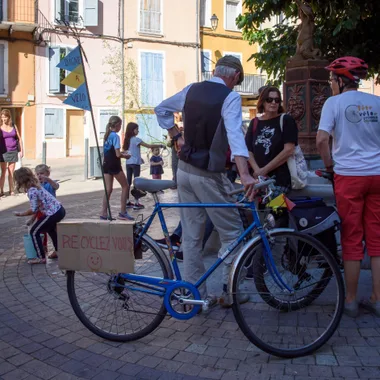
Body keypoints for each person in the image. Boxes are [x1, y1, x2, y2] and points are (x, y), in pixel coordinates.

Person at [155, 55, 257, 307]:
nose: (235, 86)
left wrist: (175, 135)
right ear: (233, 76)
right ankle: (229, 292)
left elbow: (161, 109)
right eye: (237, 81)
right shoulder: (230, 98)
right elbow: (235, 136)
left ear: (215, 71)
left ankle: (192, 295)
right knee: (233, 232)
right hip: (209, 174)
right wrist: (244, 174)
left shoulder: (191, 89)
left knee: (191, 236)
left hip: (185, 171)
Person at [316, 56, 380, 318]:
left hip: (348, 176)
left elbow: (321, 140)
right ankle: (378, 298)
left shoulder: (334, 103)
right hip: (377, 175)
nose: (331, 84)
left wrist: (330, 166)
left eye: (332, 79)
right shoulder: (377, 102)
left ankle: (351, 300)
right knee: (377, 239)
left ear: (341, 80)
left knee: (352, 238)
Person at [245, 86, 298, 198]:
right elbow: (248, 150)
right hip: (257, 179)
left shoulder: (286, 120)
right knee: (246, 209)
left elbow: (288, 150)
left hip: (278, 179)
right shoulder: (255, 122)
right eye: (269, 100)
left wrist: (264, 170)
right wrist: (257, 171)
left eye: (277, 100)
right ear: (263, 102)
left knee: (273, 212)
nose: (273, 103)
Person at [13, 167, 66, 265]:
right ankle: (58, 251)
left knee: (34, 232)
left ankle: (40, 257)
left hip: (53, 212)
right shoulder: (35, 186)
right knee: (50, 229)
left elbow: (34, 209)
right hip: (59, 210)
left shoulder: (32, 190)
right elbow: (38, 206)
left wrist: (21, 214)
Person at [122, 122, 165, 210]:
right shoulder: (136, 139)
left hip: (128, 163)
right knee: (137, 183)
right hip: (136, 164)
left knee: (128, 183)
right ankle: (136, 203)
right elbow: (149, 145)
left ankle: (127, 202)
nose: (138, 131)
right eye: (137, 129)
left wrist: (139, 157)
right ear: (133, 130)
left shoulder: (127, 140)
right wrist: (160, 145)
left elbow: (129, 151)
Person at [101, 116, 133, 221]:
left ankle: (103, 213)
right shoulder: (116, 136)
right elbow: (118, 154)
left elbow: (111, 151)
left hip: (106, 163)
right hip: (114, 165)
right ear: (118, 125)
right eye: (120, 124)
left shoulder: (107, 135)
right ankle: (123, 212)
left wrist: (121, 153)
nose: (121, 127)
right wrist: (126, 155)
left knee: (108, 189)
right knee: (125, 186)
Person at [27, 164, 60, 258]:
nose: (39, 176)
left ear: (48, 173)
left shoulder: (49, 184)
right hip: (41, 211)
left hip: (53, 211)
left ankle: (57, 250)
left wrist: (48, 179)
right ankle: (43, 247)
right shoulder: (37, 186)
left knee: (54, 230)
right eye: (37, 174)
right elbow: (36, 204)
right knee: (42, 230)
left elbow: (56, 186)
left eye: (42, 173)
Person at [0, 109, 23, 196]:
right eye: (2, 117)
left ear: (9, 117)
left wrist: (21, 150)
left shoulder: (13, 126)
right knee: (3, 172)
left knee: (11, 172)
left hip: (13, 150)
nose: (3, 119)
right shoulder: (0, 127)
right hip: (3, 152)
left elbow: (19, 138)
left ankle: (11, 190)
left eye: (5, 117)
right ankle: (1, 191)